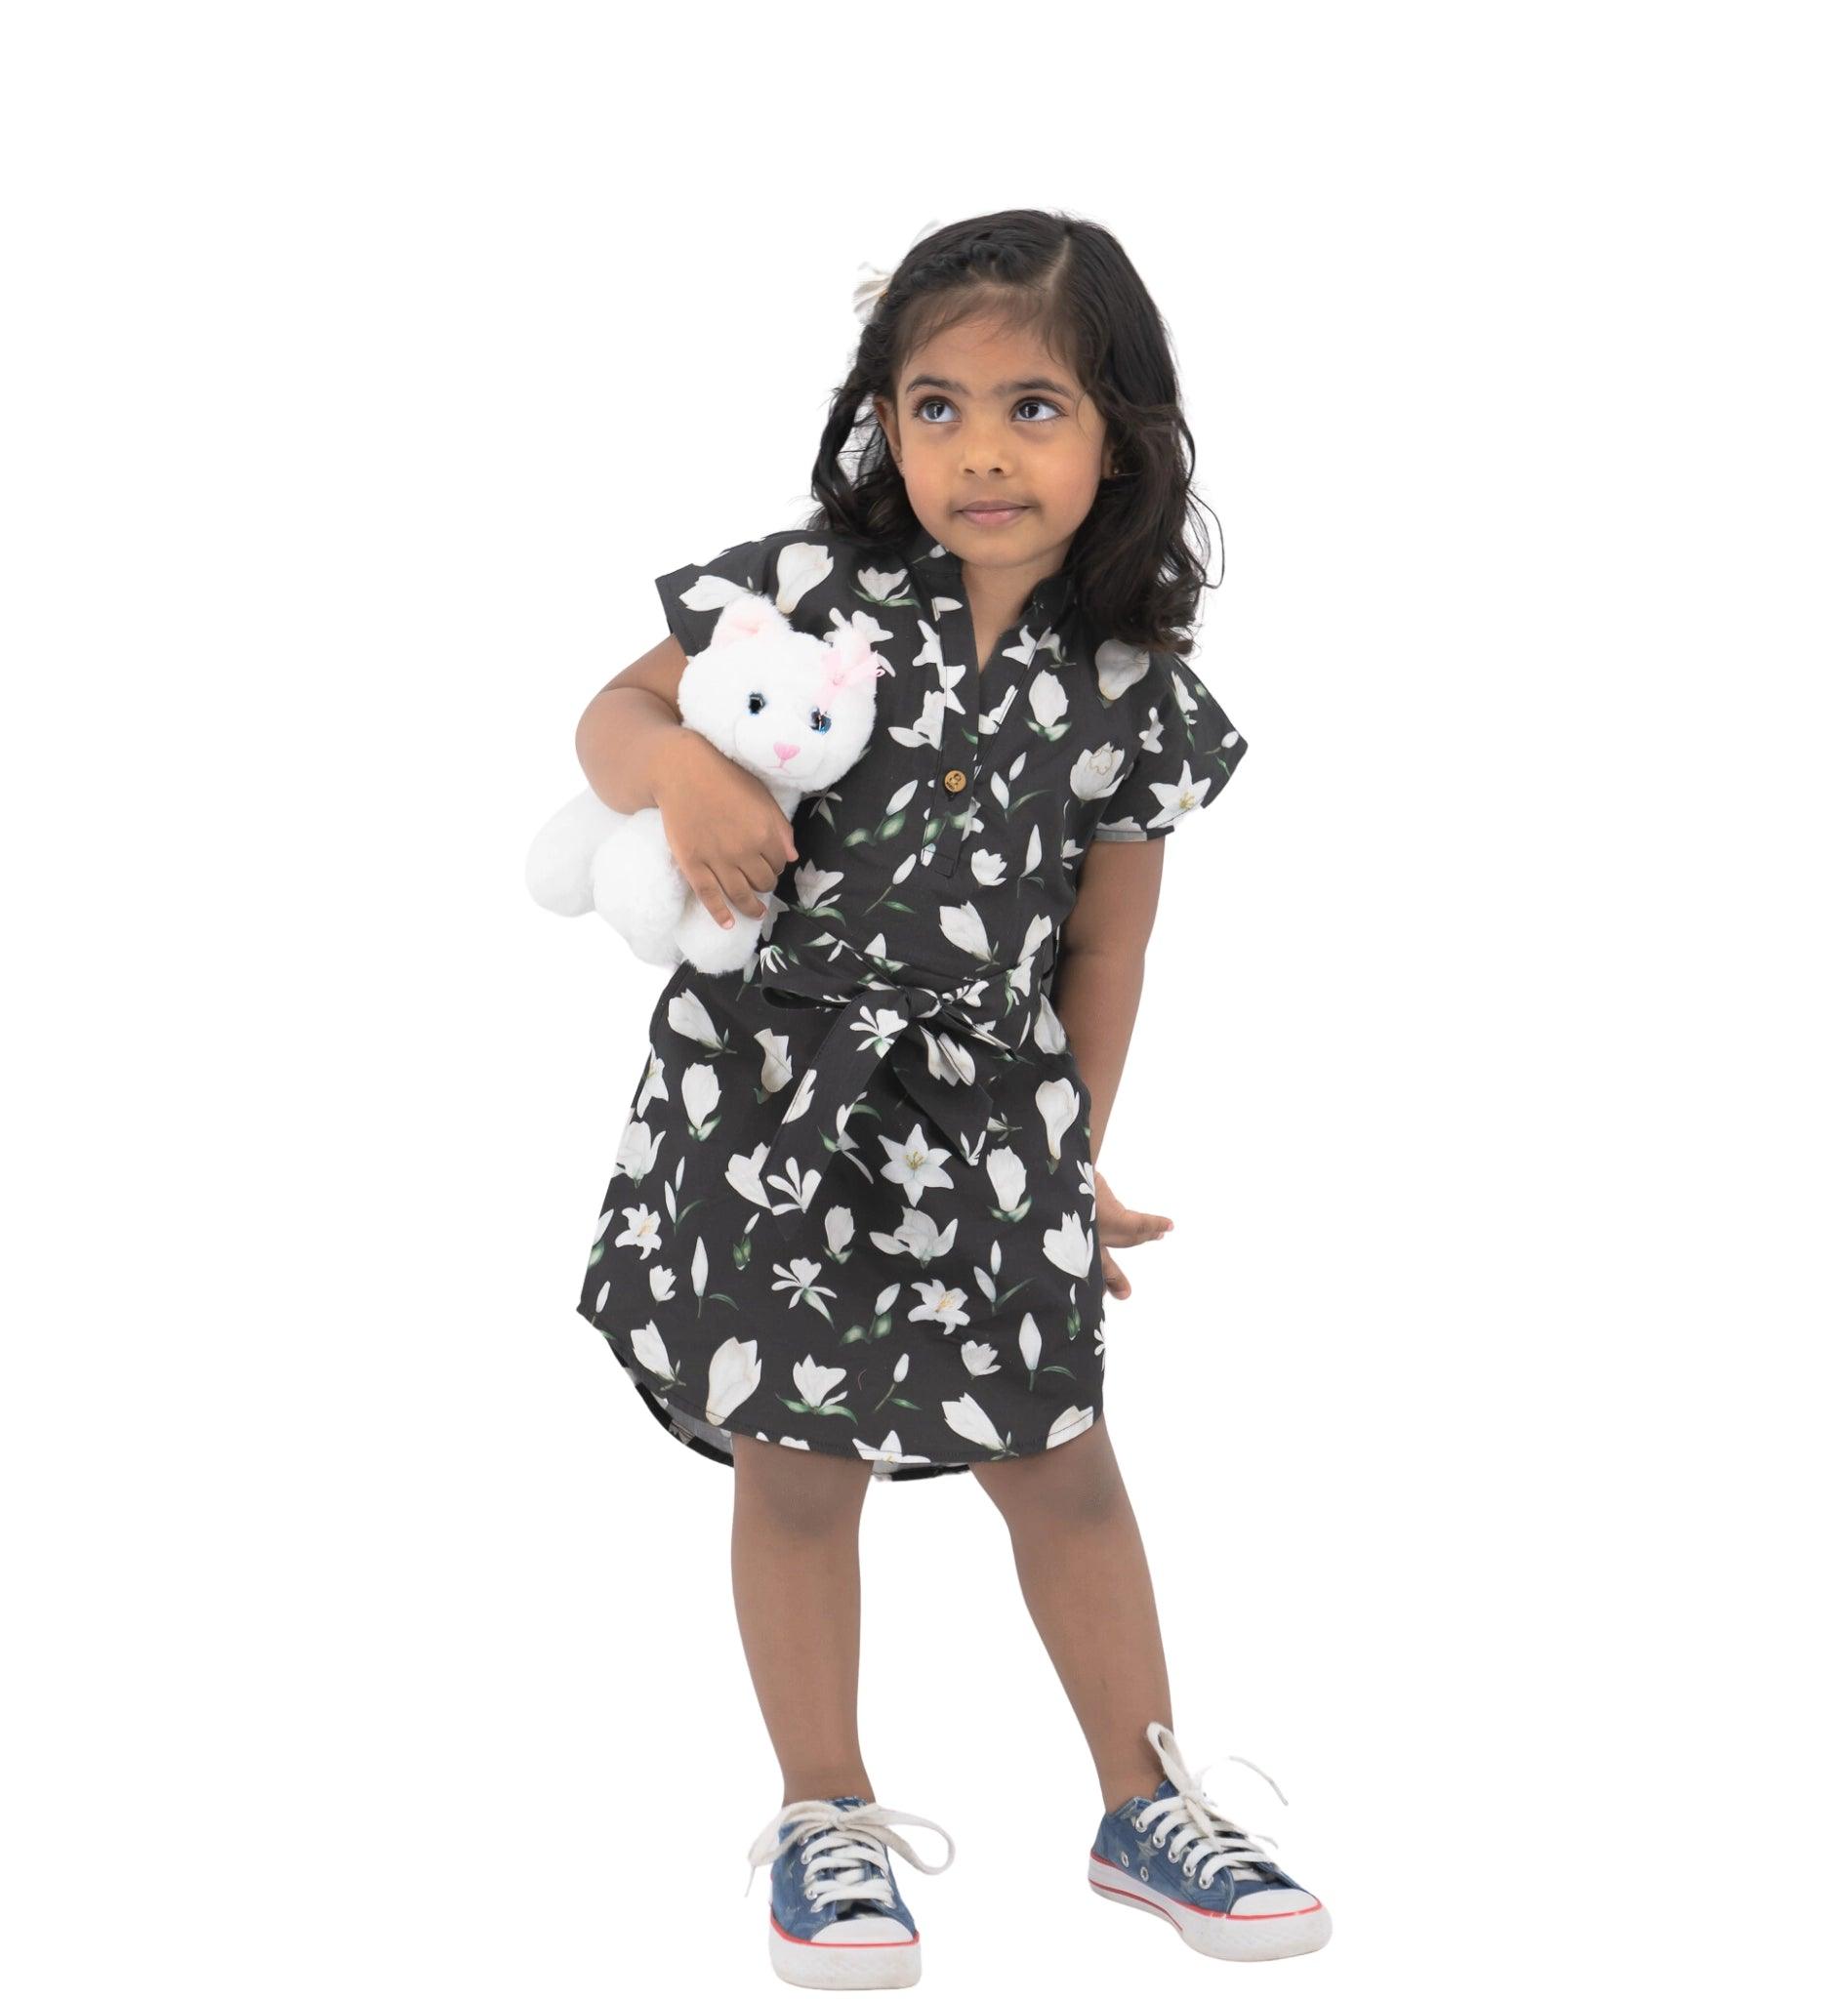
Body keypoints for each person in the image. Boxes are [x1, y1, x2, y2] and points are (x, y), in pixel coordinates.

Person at [565, 210, 1331, 1986]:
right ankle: (826, 1817)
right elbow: (608, 713)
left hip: (987, 1117)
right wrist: (677, 765)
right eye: (936, 406)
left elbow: (1108, 954)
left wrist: (1077, 1154)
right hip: (769, 1102)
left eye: (1034, 408)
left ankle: (1145, 1804)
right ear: (882, 423)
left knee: (1060, 1462)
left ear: (1122, 433)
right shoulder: (811, 594)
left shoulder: (1134, 687)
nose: (980, 450)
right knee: (798, 1462)